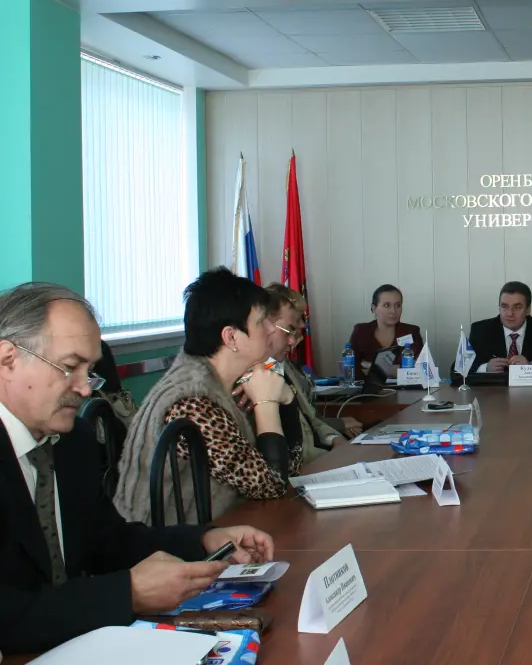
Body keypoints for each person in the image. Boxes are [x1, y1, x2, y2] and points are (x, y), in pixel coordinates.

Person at [0, 282, 274, 653]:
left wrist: (203, 540)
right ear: (8, 359)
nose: (85, 388)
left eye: (90, 370)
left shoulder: (72, 440)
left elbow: (108, 542)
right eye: (70, 367)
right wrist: (126, 593)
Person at [116, 268, 304, 525]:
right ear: (231, 337)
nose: (272, 329)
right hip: (172, 545)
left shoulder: (234, 384)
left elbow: (289, 470)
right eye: (262, 321)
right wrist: (266, 403)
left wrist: (287, 399)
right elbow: (271, 485)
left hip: (225, 530)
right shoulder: (193, 403)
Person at [262, 284, 360, 461]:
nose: (293, 340)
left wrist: (334, 438)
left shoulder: (283, 366)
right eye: (290, 328)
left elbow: (310, 420)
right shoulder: (254, 379)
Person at [467, 281, 532, 378]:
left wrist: (531, 367)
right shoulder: (480, 331)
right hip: (493, 388)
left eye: (517, 307)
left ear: (528, 309)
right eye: (504, 307)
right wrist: (485, 368)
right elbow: (461, 370)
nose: (510, 313)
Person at [349, 284, 423, 378]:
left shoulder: (411, 332)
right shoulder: (361, 331)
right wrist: (395, 370)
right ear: (374, 308)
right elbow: (351, 369)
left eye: (398, 305)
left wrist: (371, 366)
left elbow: (417, 371)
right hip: (367, 387)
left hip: (404, 387)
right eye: (387, 305)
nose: (393, 311)